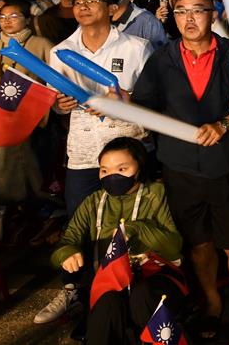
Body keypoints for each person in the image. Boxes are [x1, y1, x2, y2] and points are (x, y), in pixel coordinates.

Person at [130, 0, 229, 344]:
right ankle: (212, 302)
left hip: (226, 163)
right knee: (199, 243)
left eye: (197, 10)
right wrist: (120, 103)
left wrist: (224, 125)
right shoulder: (162, 59)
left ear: (213, 14)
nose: (189, 18)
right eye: (181, 11)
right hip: (180, 166)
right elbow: (145, 105)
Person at [37, 0, 153, 325]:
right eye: (79, 1)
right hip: (85, 151)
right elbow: (55, 101)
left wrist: (127, 99)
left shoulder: (136, 47)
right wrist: (60, 104)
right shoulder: (62, 51)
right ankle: (76, 288)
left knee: (132, 222)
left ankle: (133, 293)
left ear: (112, 8)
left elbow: (152, 98)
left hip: (127, 146)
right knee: (80, 220)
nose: (83, 6)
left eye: (93, 0)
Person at [49, 137, 185, 345]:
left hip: (155, 277)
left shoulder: (156, 194)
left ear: (139, 167)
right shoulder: (93, 202)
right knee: (107, 302)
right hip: (111, 281)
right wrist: (67, 253)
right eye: (104, 170)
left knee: (141, 294)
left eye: (122, 169)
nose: (112, 176)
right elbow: (66, 242)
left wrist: (136, 228)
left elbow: (174, 246)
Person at [0, 0, 54, 204]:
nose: (6, 21)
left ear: (27, 19)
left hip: (32, 114)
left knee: (33, 159)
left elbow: (56, 78)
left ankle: (41, 201)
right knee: (3, 160)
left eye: (13, 16)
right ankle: (10, 204)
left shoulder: (42, 44)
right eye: (2, 17)